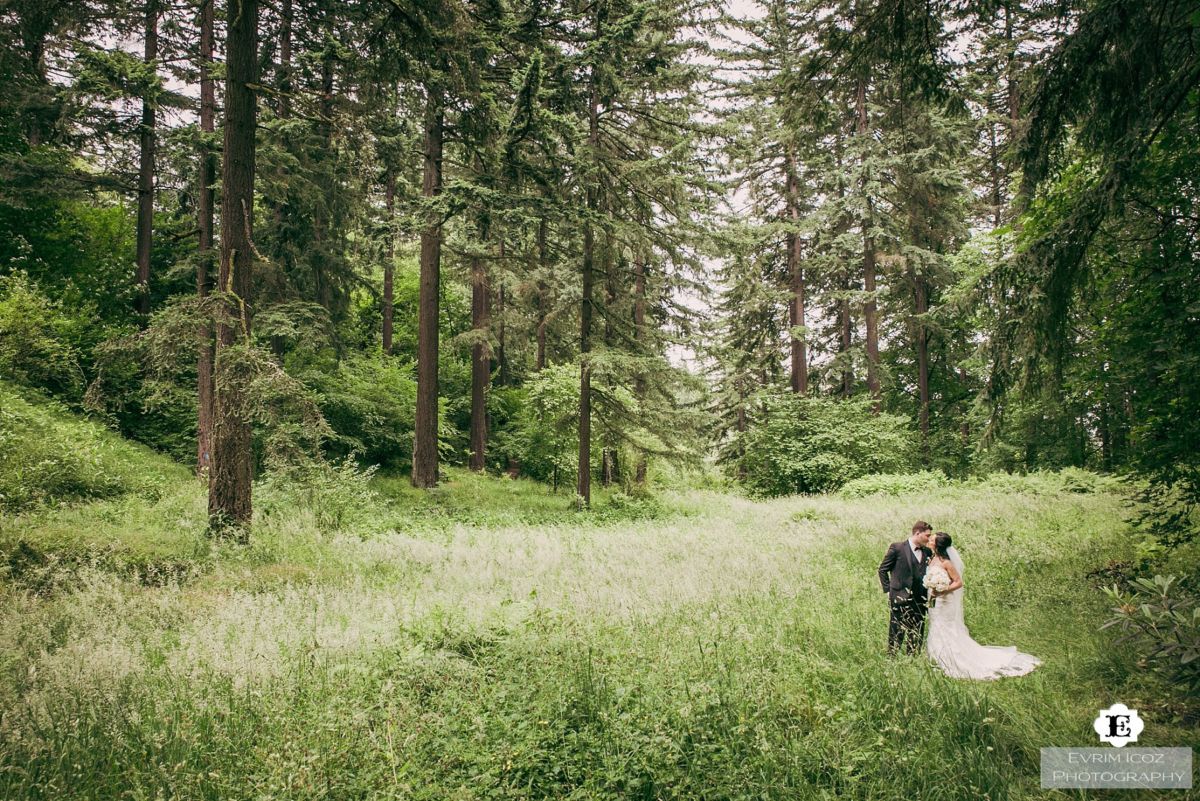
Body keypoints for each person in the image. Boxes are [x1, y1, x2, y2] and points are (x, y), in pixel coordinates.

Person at [925, 531, 1042, 679]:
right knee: (935, 626)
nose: (929, 540)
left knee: (946, 628)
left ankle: (953, 660)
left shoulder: (946, 563)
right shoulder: (933, 558)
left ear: (938, 545)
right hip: (935, 600)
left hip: (946, 601)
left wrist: (943, 589)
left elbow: (959, 582)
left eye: (932, 539)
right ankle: (937, 659)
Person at [877, 520, 933, 654]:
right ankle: (892, 657)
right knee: (896, 630)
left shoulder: (928, 552)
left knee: (917, 631)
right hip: (899, 597)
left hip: (920, 599)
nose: (929, 539)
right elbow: (882, 570)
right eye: (927, 535)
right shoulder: (897, 548)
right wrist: (888, 591)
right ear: (917, 533)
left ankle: (912, 657)